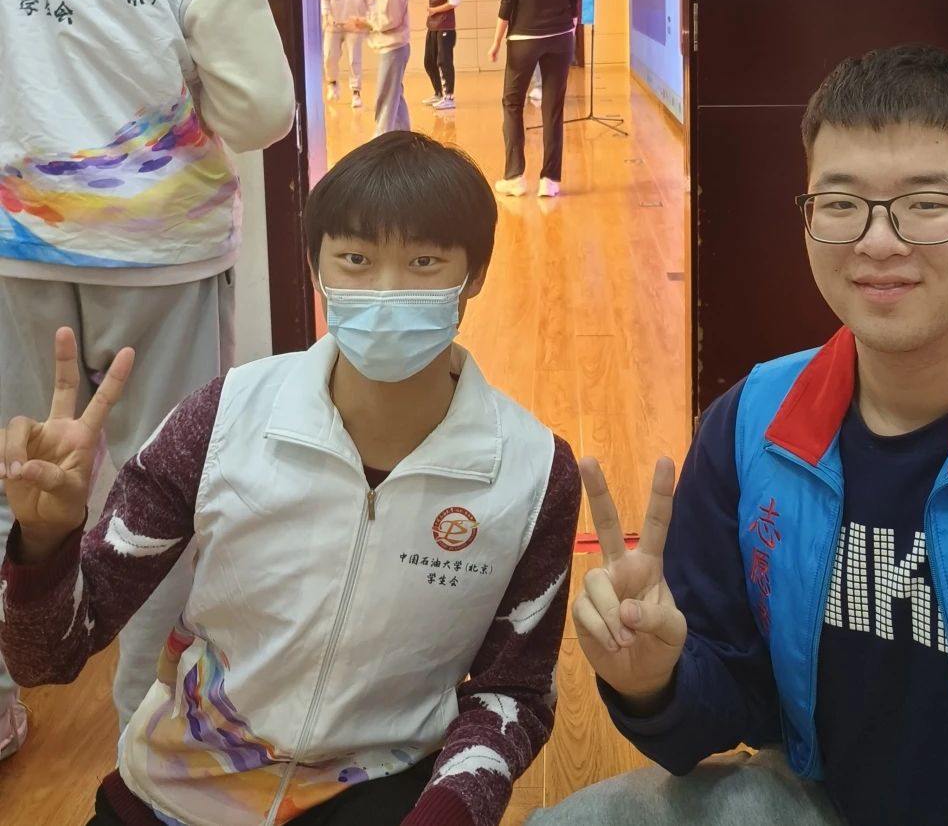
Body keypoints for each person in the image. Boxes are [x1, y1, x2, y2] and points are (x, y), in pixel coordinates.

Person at [536, 46, 948, 826]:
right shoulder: (753, 426)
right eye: (841, 202)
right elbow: (733, 702)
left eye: (928, 203)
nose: (879, 242)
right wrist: (652, 679)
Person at [0, 131, 582, 826]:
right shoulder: (223, 419)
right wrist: (43, 541)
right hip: (176, 788)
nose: (386, 292)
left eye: (424, 262)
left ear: (474, 275)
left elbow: (515, 692)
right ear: (316, 269)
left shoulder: (532, 473)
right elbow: (47, 657)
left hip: (378, 791)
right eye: (356, 260)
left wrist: (449, 812)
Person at [0, 0, 295, 759]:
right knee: (162, 484)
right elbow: (261, 111)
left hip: (14, 238)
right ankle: (148, 708)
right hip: (161, 250)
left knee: (14, 465)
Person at [489, 0, 580, 199]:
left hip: (524, 38)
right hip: (562, 36)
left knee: (513, 103)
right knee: (553, 109)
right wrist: (568, 31)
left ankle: (514, 177)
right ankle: (550, 181)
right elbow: (574, 1)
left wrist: (497, 41)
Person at [355, 0, 411, 137]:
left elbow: (391, 20)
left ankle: (382, 135)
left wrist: (368, 23)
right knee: (395, 93)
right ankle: (403, 133)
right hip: (391, 48)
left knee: (386, 94)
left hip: (395, 49)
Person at [321, 0, 376, 109]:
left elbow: (371, 0)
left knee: (354, 60)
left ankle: (356, 93)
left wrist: (370, 20)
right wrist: (326, 15)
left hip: (355, 24)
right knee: (329, 56)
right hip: (334, 24)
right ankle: (332, 84)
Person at [422, 0, 460, 111]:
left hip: (445, 27)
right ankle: (438, 93)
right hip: (433, 26)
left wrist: (435, 10)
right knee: (429, 61)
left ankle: (448, 97)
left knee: (444, 61)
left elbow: (454, 2)